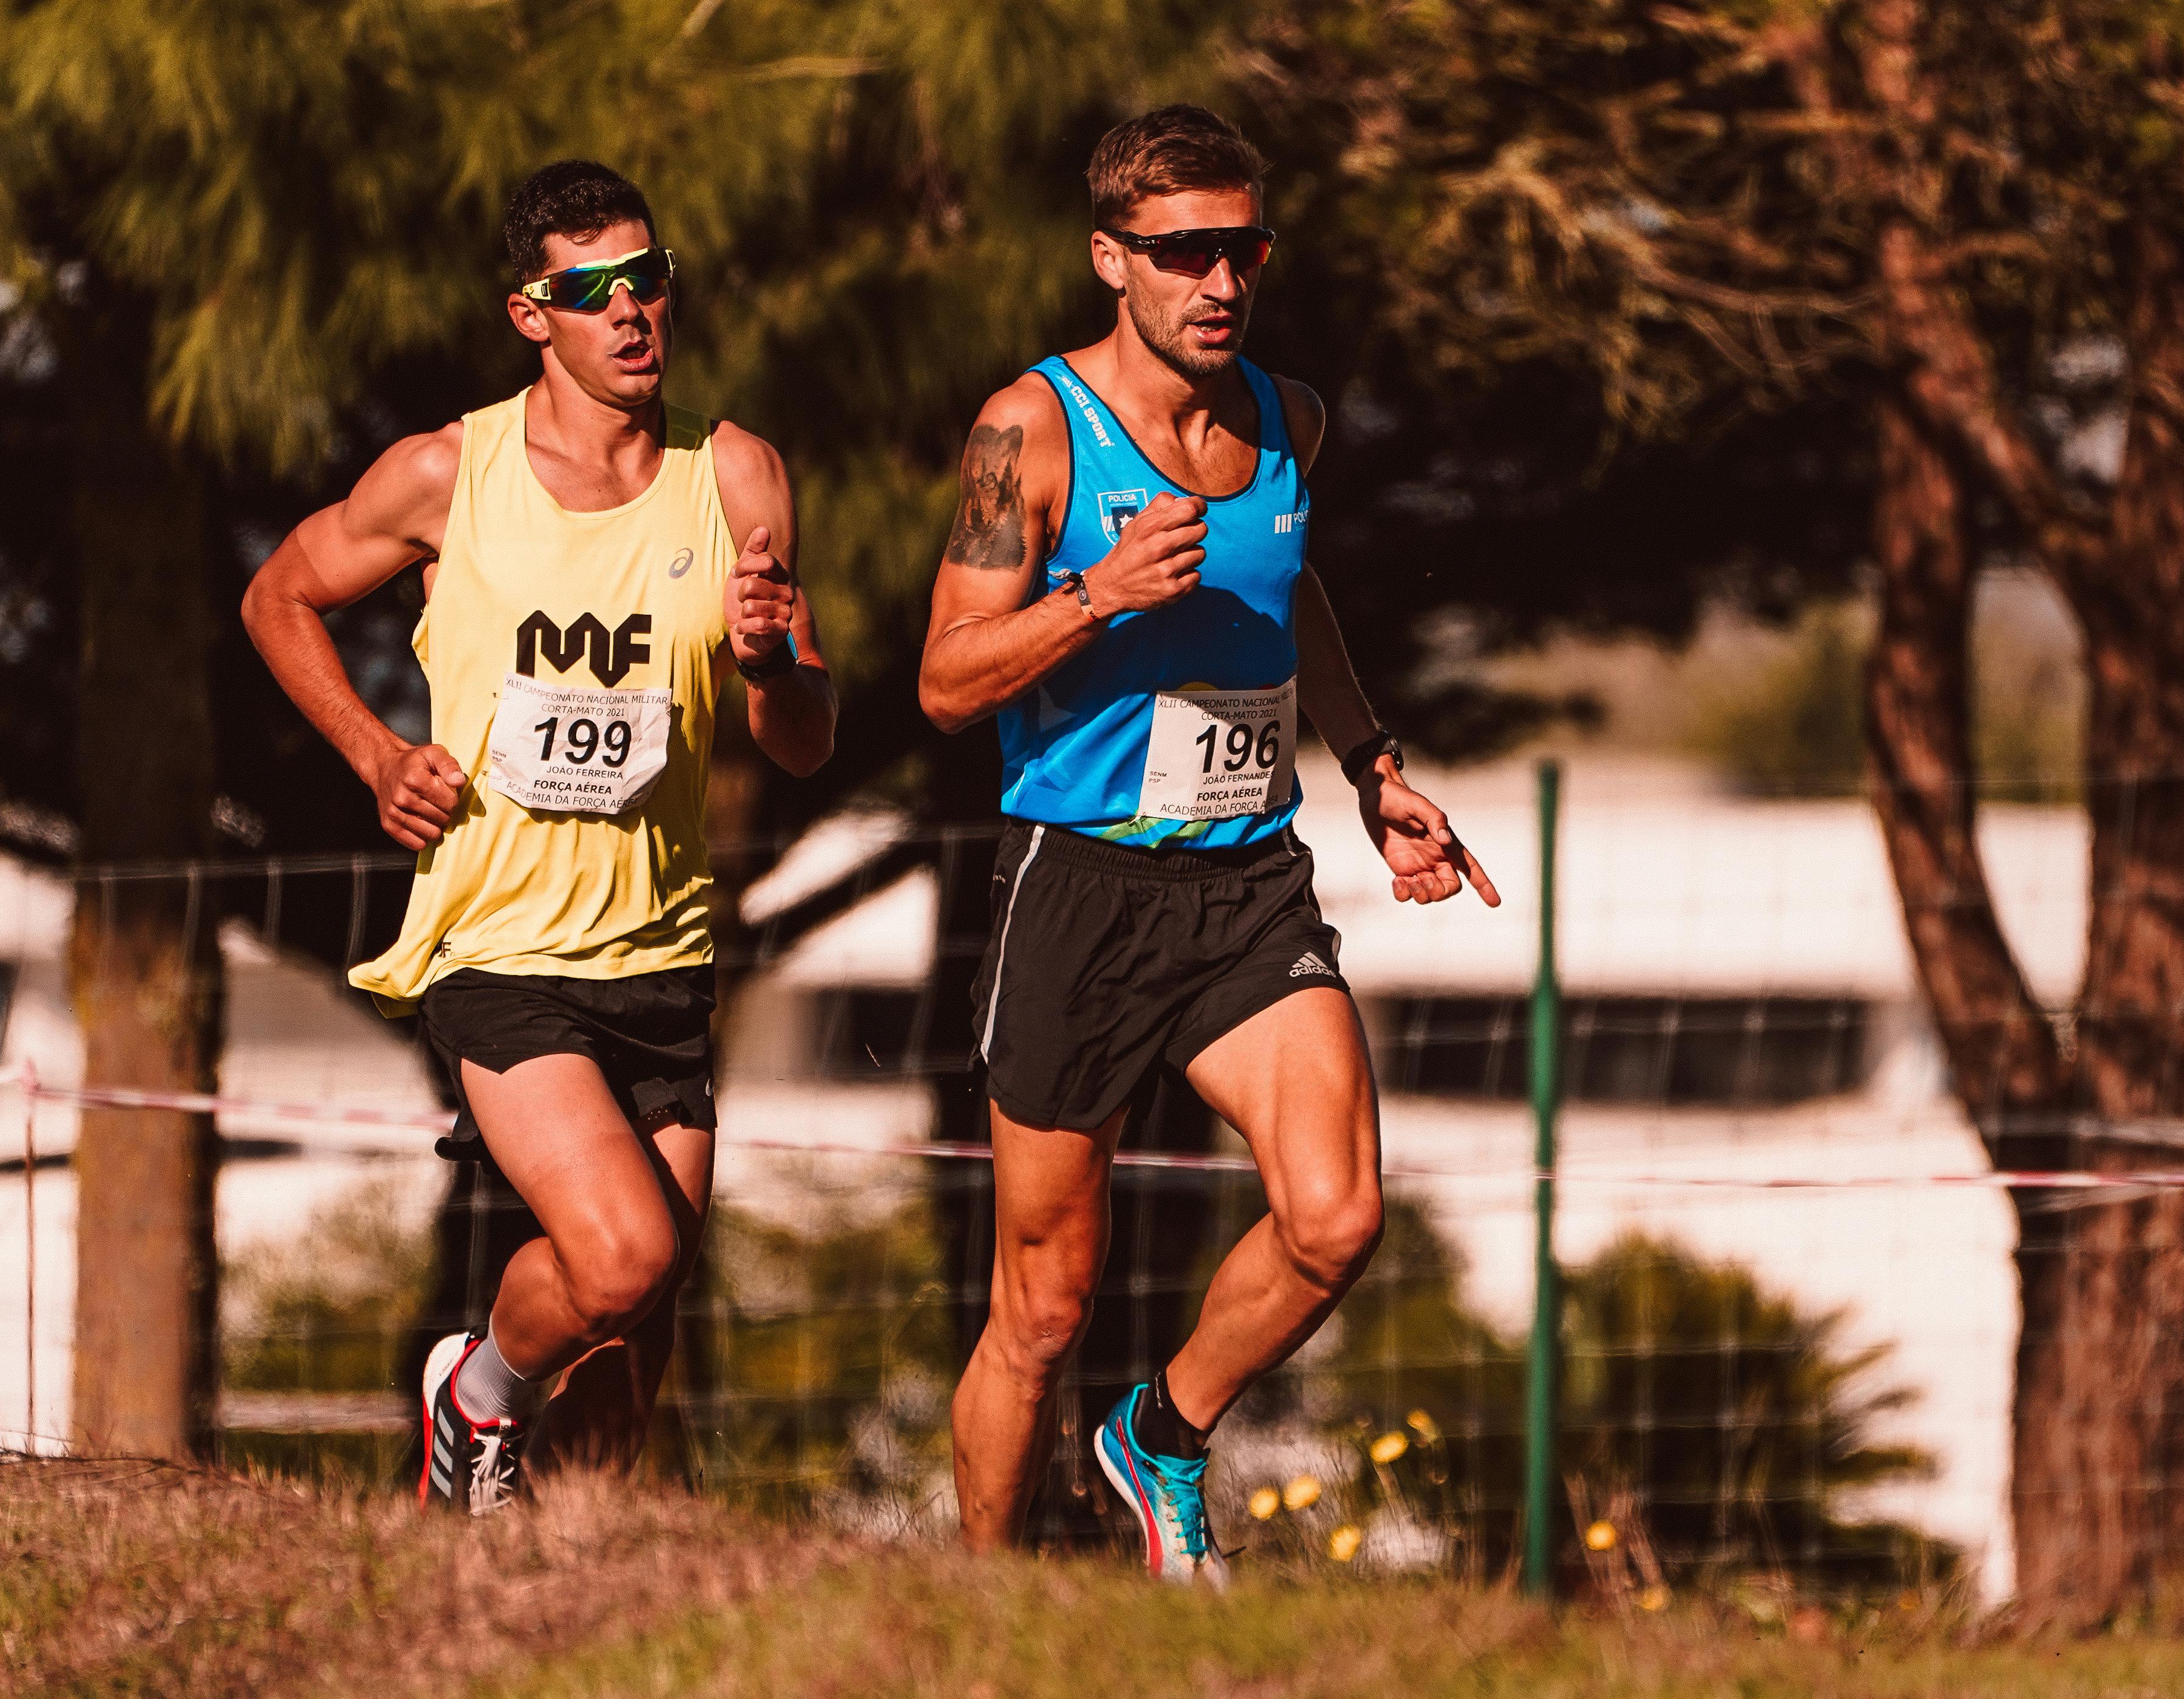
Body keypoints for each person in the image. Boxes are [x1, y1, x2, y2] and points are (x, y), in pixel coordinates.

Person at [916, 105, 1499, 1583]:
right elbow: (942, 680)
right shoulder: (1027, 430)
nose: (1218, 281)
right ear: (1110, 257)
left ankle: (1161, 1432)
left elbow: (1289, 593)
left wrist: (1371, 765)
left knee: (1334, 1214)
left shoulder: (1287, 417)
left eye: (1240, 248)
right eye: (1182, 253)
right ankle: (984, 1609)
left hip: (1245, 884)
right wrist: (1091, 597)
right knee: (1041, 1304)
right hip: (1082, 885)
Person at [243, 159, 835, 1514]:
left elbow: (803, 735)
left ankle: (546, 1591)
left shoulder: (735, 473)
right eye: (591, 291)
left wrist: (768, 665)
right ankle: (477, 1394)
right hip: (499, 942)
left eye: (648, 280)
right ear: (532, 315)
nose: (630, 312)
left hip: (665, 947)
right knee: (620, 1252)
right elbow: (278, 594)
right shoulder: (448, 472)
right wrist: (376, 753)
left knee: (638, 1348)